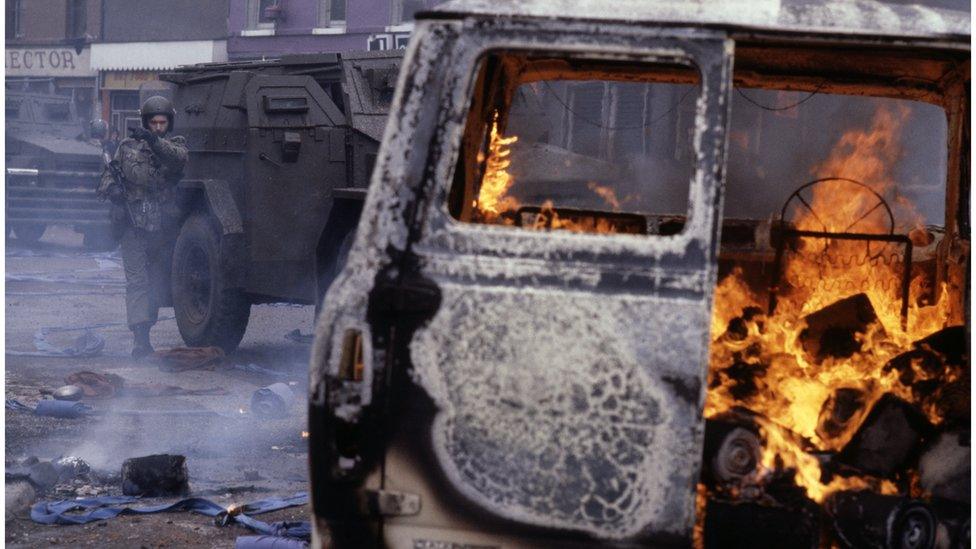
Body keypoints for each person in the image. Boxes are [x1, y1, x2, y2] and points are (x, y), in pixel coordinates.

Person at [97, 96, 188, 359]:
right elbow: (107, 174)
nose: (158, 126)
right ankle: (140, 339)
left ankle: (146, 327)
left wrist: (153, 142)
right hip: (133, 224)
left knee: (157, 283)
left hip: (162, 228)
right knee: (137, 282)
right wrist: (111, 189)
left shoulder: (175, 145)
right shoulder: (127, 146)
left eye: (162, 122)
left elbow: (178, 160)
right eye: (153, 122)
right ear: (145, 122)